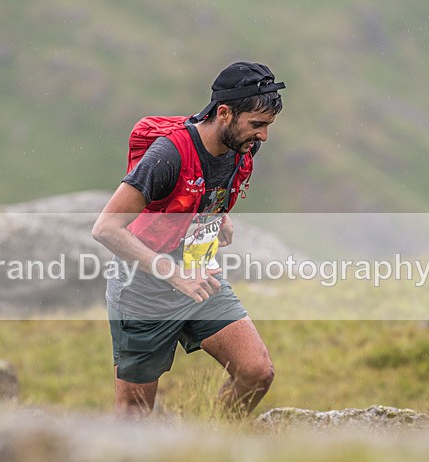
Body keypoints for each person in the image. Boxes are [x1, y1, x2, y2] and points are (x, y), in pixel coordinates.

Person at [92, 61, 285, 417]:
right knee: (133, 415)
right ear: (224, 113)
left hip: (200, 281)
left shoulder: (241, 148)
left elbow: (200, 191)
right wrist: (174, 274)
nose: (263, 137)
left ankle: (209, 442)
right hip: (143, 292)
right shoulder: (167, 156)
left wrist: (217, 217)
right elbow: (105, 228)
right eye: (257, 125)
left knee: (256, 372)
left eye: (268, 126)